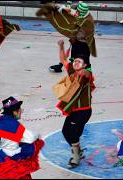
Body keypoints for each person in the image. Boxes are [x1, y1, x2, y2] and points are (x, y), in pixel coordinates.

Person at [0, 96, 44, 179]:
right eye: (20, 109)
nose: (21, 111)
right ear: (15, 112)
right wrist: (37, 135)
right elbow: (30, 138)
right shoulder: (14, 125)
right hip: (10, 158)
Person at [56, 39, 95, 168]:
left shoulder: (86, 75)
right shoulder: (72, 70)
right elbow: (63, 59)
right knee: (65, 132)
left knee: (72, 134)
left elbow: (87, 73)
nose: (76, 63)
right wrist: (61, 46)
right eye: (75, 61)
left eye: (79, 62)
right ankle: (78, 151)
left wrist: (84, 71)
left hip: (83, 112)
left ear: (84, 65)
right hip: (74, 110)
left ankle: (76, 156)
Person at [48, 2, 95, 73]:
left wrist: (66, 11)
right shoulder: (83, 14)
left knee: (83, 62)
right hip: (77, 41)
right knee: (74, 59)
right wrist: (64, 8)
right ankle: (70, 70)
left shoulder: (87, 21)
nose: (76, 13)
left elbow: (74, 21)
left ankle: (86, 78)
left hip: (83, 45)